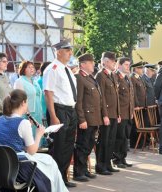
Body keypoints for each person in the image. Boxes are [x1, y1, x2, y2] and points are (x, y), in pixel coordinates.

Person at [0, 89, 68, 192]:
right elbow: (32, 151)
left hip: (6, 164)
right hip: (20, 165)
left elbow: (10, 141)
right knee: (50, 162)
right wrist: (39, 135)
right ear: (23, 103)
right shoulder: (23, 123)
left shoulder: (1, 119)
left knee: (48, 161)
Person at [43, 39, 77, 188]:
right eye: (67, 50)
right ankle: (54, 180)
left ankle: (63, 177)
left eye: (70, 50)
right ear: (58, 51)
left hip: (70, 110)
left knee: (68, 146)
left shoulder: (67, 69)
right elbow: (48, 94)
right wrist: (54, 116)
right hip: (59, 110)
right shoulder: (52, 68)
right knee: (58, 147)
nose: (70, 53)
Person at [73, 53, 101, 182]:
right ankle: (78, 172)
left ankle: (84, 170)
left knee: (89, 145)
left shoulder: (90, 77)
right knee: (82, 145)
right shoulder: (79, 77)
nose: (93, 64)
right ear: (83, 64)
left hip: (94, 118)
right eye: (90, 62)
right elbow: (78, 101)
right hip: (86, 119)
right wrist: (82, 119)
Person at [95, 51, 120, 175]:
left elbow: (116, 96)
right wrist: (104, 114)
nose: (114, 63)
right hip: (106, 114)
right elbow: (101, 97)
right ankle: (100, 165)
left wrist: (118, 113)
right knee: (104, 140)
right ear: (105, 62)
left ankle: (108, 163)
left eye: (114, 61)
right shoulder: (101, 75)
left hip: (114, 114)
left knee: (111, 140)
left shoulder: (112, 75)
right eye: (112, 61)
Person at [14, 61, 43, 141]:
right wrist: (27, 113)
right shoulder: (20, 81)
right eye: (29, 67)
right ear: (23, 69)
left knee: (37, 136)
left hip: (38, 112)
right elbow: (18, 99)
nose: (32, 69)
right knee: (29, 137)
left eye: (32, 67)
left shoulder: (35, 81)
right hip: (27, 114)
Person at [113, 57, 134, 168]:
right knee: (119, 137)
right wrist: (118, 113)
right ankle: (117, 159)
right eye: (126, 64)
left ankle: (123, 158)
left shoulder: (127, 77)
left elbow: (131, 96)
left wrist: (131, 111)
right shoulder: (116, 77)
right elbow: (116, 97)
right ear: (119, 65)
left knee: (125, 137)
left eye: (129, 65)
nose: (128, 67)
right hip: (120, 112)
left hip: (128, 112)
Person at [129, 61, 147, 148]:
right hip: (137, 106)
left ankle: (140, 142)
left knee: (140, 124)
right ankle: (134, 143)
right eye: (140, 68)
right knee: (135, 125)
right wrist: (136, 105)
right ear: (135, 69)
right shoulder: (132, 78)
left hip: (142, 105)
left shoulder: (139, 78)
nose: (142, 69)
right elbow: (134, 93)